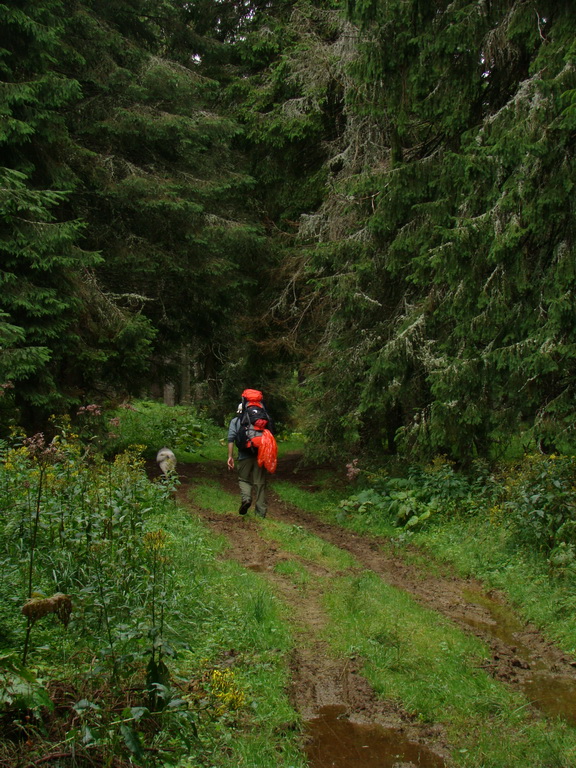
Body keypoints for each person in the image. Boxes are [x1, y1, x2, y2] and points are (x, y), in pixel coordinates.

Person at [227, 392, 275, 518]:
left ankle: (246, 498)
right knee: (260, 483)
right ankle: (260, 513)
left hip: (244, 455)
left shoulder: (236, 421)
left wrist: (230, 456)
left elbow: (231, 439)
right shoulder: (263, 420)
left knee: (243, 479)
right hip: (260, 454)